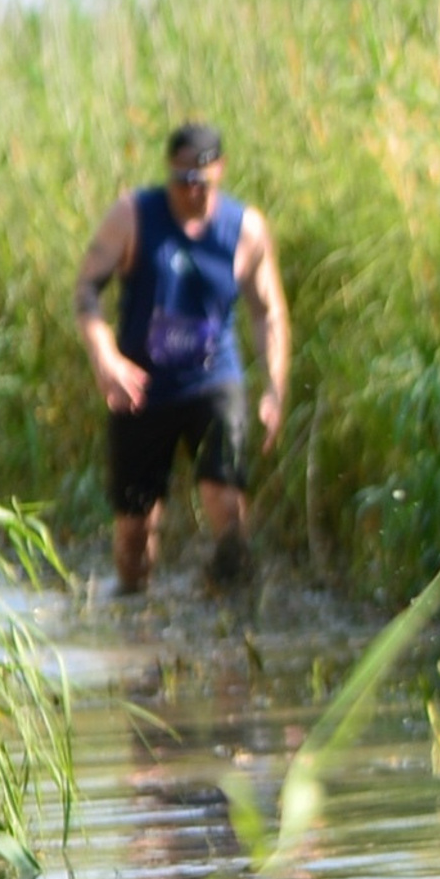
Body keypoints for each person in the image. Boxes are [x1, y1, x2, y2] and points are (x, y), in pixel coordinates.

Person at [73, 121, 290, 594]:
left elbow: (267, 312)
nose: (190, 190)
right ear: (169, 172)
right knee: (135, 532)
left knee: (225, 497)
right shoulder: (133, 215)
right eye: (181, 179)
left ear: (220, 172)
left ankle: (233, 615)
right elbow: (87, 288)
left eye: (201, 180)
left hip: (214, 379)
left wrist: (275, 387)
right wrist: (104, 355)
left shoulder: (246, 229)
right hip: (141, 387)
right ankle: (134, 619)